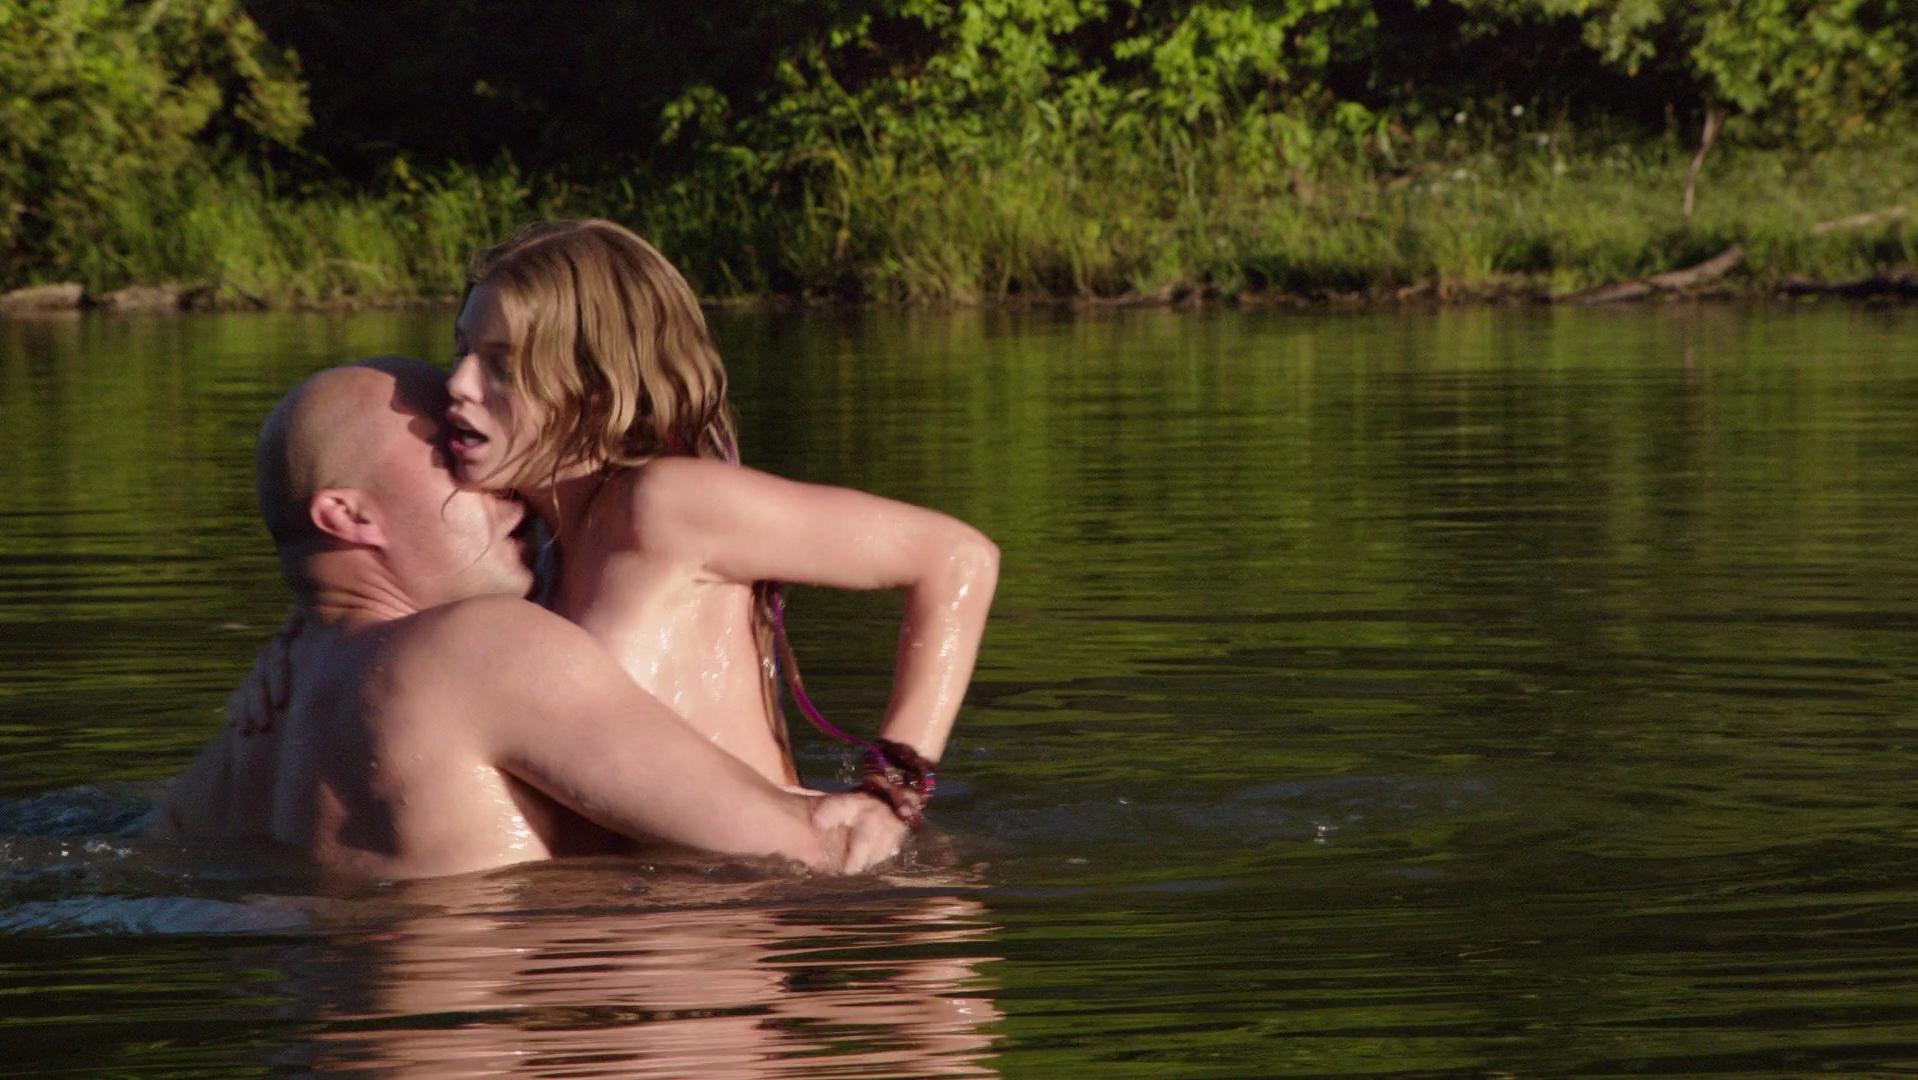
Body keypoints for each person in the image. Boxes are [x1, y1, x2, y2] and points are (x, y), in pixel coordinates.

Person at [155, 358, 905, 879]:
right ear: (349, 516)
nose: (505, 485)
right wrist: (893, 801)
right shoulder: (479, 649)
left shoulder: (244, 741)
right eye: (454, 457)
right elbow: (817, 850)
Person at [445, 220, 999, 821]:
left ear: (597, 385)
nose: (458, 384)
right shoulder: (542, 552)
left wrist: (892, 792)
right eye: (461, 351)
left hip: (774, 875)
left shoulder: (666, 505)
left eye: (502, 365)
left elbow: (956, 557)